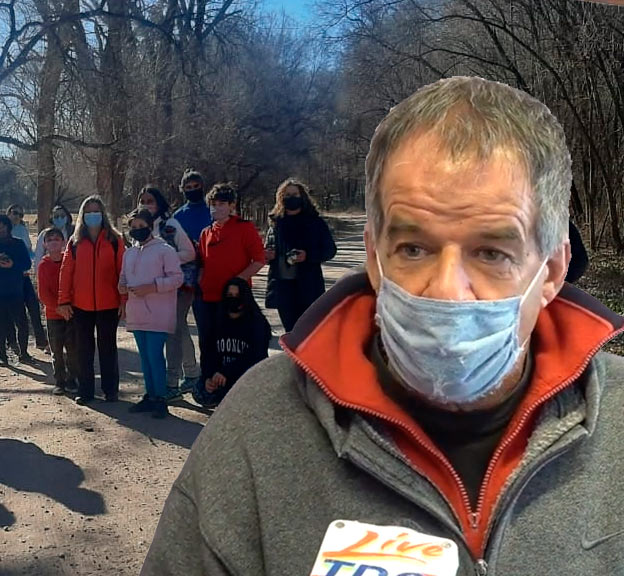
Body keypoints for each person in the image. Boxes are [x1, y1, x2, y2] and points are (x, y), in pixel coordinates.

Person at [142, 77, 624, 575]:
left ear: (551, 271)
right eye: (414, 249)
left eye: (492, 252)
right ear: (374, 258)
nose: (446, 290)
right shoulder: (258, 424)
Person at [57, 195, 125, 405]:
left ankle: (110, 390)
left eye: (96, 211)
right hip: (81, 305)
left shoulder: (115, 240)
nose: (92, 216)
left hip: (109, 304)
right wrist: (63, 301)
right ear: (82, 216)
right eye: (88, 212)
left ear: (102, 214)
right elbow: (66, 272)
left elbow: (123, 272)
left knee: (108, 349)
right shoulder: (75, 242)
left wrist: (124, 301)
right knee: (83, 350)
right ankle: (86, 391)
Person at [120, 209, 183, 419]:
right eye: (134, 227)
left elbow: (177, 278)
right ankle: (150, 395)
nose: (138, 230)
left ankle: (161, 398)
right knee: (145, 357)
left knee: (156, 356)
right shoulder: (129, 253)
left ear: (150, 226)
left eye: (141, 226)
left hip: (158, 312)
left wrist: (153, 286)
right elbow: (123, 276)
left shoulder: (165, 250)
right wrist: (121, 285)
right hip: (136, 311)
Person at [139, 185, 198, 400]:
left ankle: (175, 381)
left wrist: (167, 259)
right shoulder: (141, 228)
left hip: (179, 287)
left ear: (159, 203)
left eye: (150, 201)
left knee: (174, 331)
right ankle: (190, 373)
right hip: (155, 290)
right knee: (172, 331)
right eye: (143, 201)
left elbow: (189, 253)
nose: (146, 205)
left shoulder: (170, 226)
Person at [195, 183, 266, 345]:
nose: (216, 208)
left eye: (221, 204)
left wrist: (238, 281)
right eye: (213, 204)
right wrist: (199, 283)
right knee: (209, 343)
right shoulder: (206, 233)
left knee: (235, 342)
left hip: (234, 296)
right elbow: (201, 263)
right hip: (208, 298)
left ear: (231, 205)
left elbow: (259, 260)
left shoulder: (244, 228)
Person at [264, 178, 337, 332]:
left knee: (309, 334)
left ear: (302, 196)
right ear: (281, 198)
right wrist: (267, 255)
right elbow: (268, 249)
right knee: (290, 333)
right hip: (283, 286)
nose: (291, 198)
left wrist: (308, 255)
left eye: (295, 194)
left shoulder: (315, 223)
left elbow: (330, 250)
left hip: (308, 286)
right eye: (287, 194)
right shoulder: (275, 223)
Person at [193, 278, 270, 408]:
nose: (234, 299)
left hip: (246, 376)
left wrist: (227, 372)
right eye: (230, 296)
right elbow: (208, 352)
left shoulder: (257, 323)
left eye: (237, 296)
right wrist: (209, 376)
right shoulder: (215, 321)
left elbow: (256, 356)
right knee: (200, 392)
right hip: (220, 378)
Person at [0, 214, 33, 364]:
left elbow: (27, 264)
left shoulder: (18, 244)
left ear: (9, 227)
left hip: (15, 289)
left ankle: (24, 353)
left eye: (3, 226)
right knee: (0, 323)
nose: (0, 229)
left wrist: (13, 265)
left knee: (21, 321)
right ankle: (2, 356)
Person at [37, 227, 78, 396]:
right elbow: (43, 293)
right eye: (50, 239)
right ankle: (59, 381)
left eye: (57, 238)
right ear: (45, 244)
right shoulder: (43, 266)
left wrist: (68, 306)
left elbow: (75, 286)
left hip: (71, 313)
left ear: (63, 242)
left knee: (73, 348)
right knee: (56, 350)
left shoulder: (70, 262)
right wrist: (58, 307)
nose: (54, 241)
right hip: (53, 315)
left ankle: (72, 379)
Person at [172, 170, 212, 339]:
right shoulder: (178, 215)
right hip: (185, 275)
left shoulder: (212, 211)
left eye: (196, 186)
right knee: (177, 322)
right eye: (188, 187)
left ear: (202, 187)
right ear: (183, 190)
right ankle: (186, 364)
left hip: (209, 273)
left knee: (207, 324)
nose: (192, 189)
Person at [7, 204, 48, 351]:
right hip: (11, 279)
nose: (17, 216)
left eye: (20, 214)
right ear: (8, 213)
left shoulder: (23, 229)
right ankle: (13, 343)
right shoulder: (2, 231)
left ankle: (41, 340)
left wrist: (32, 263)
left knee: (34, 308)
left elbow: (29, 250)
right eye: (14, 213)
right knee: (15, 314)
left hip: (24, 275)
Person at [34, 203, 74, 267]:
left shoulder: (73, 233)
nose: (59, 218)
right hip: (48, 269)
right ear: (52, 218)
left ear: (67, 217)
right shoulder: (44, 234)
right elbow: (38, 256)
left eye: (62, 216)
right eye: (56, 216)